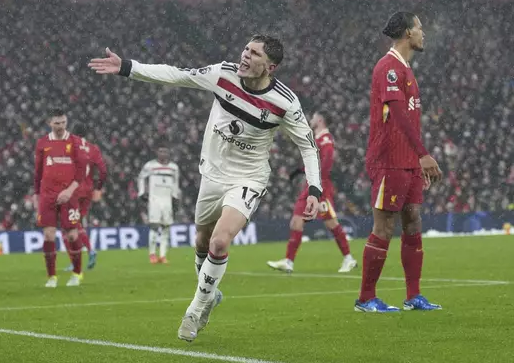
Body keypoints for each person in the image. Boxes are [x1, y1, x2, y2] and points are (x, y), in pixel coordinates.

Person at [89, 34, 322, 342]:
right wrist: (127, 67)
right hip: (212, 175)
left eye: (254, 54)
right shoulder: (222, 74)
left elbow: (307, 145)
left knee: (219, 242)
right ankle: (210, 293)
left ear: (271, 66)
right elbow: (176, 75)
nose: (245, 56)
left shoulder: (285, 102)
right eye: (246, 49)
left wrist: (315, 189)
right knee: (201, 241)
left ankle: (196, 310)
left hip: (248, 178)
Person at [355, 12, 443, 313]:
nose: (423, 33)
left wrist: (416, 159)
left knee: (413, 220)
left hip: (408, 161)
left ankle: (413, 295)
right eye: (419, 28)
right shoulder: (388, 67)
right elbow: (397, 115)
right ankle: (366, 298)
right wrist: (423, 154)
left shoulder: (405, 69)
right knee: (385, 226)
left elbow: (410, 121)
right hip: (389, 159)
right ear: (407, 33)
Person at [267, 111, 357, 273]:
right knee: (296, 221)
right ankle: (288, 261)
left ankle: (349, 259)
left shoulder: (325, 140)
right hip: (312, 185)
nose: (311, 119)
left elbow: (326, 162)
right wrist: (299, 171)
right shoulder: (318, 139)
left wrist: (318, 181)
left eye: (314, 117)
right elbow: (314, 162)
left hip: (319, 187)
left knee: (331, 223)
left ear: (320, 120)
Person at [34, 108, 85, 288]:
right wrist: (36, 195)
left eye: (63, 122)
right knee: (48, 235)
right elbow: (38, 171)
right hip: (47, 195)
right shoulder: (42, 143)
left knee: (72, 235)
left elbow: (80, 174)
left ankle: (77, 273)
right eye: (57, 123)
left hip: (69, 196)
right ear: (50, 123)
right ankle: (52, 277)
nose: (60, 126)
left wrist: (69, 191)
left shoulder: (75, 142)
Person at [62, 122, 107, 271]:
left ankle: (86, 253)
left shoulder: (69, 146)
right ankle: (82, 256)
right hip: (87, 191)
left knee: (68, 227)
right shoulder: (93, 149)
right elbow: (103, 171)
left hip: (73, 190)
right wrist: (98, 189)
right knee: (76, 223)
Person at [137, 143, 180, 264]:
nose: (163, 154)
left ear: (168, 153)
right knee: (154, 226)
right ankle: (152, 254)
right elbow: (141, 178)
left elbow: (176, 183)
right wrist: (141, 193)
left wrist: (175, 197)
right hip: (154, 199)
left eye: (165, 151)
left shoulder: (174, 167)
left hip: (167, 200)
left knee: (166, 227)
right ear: (157, 152)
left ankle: (162, 255)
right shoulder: (150, 166)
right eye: (161, 151)